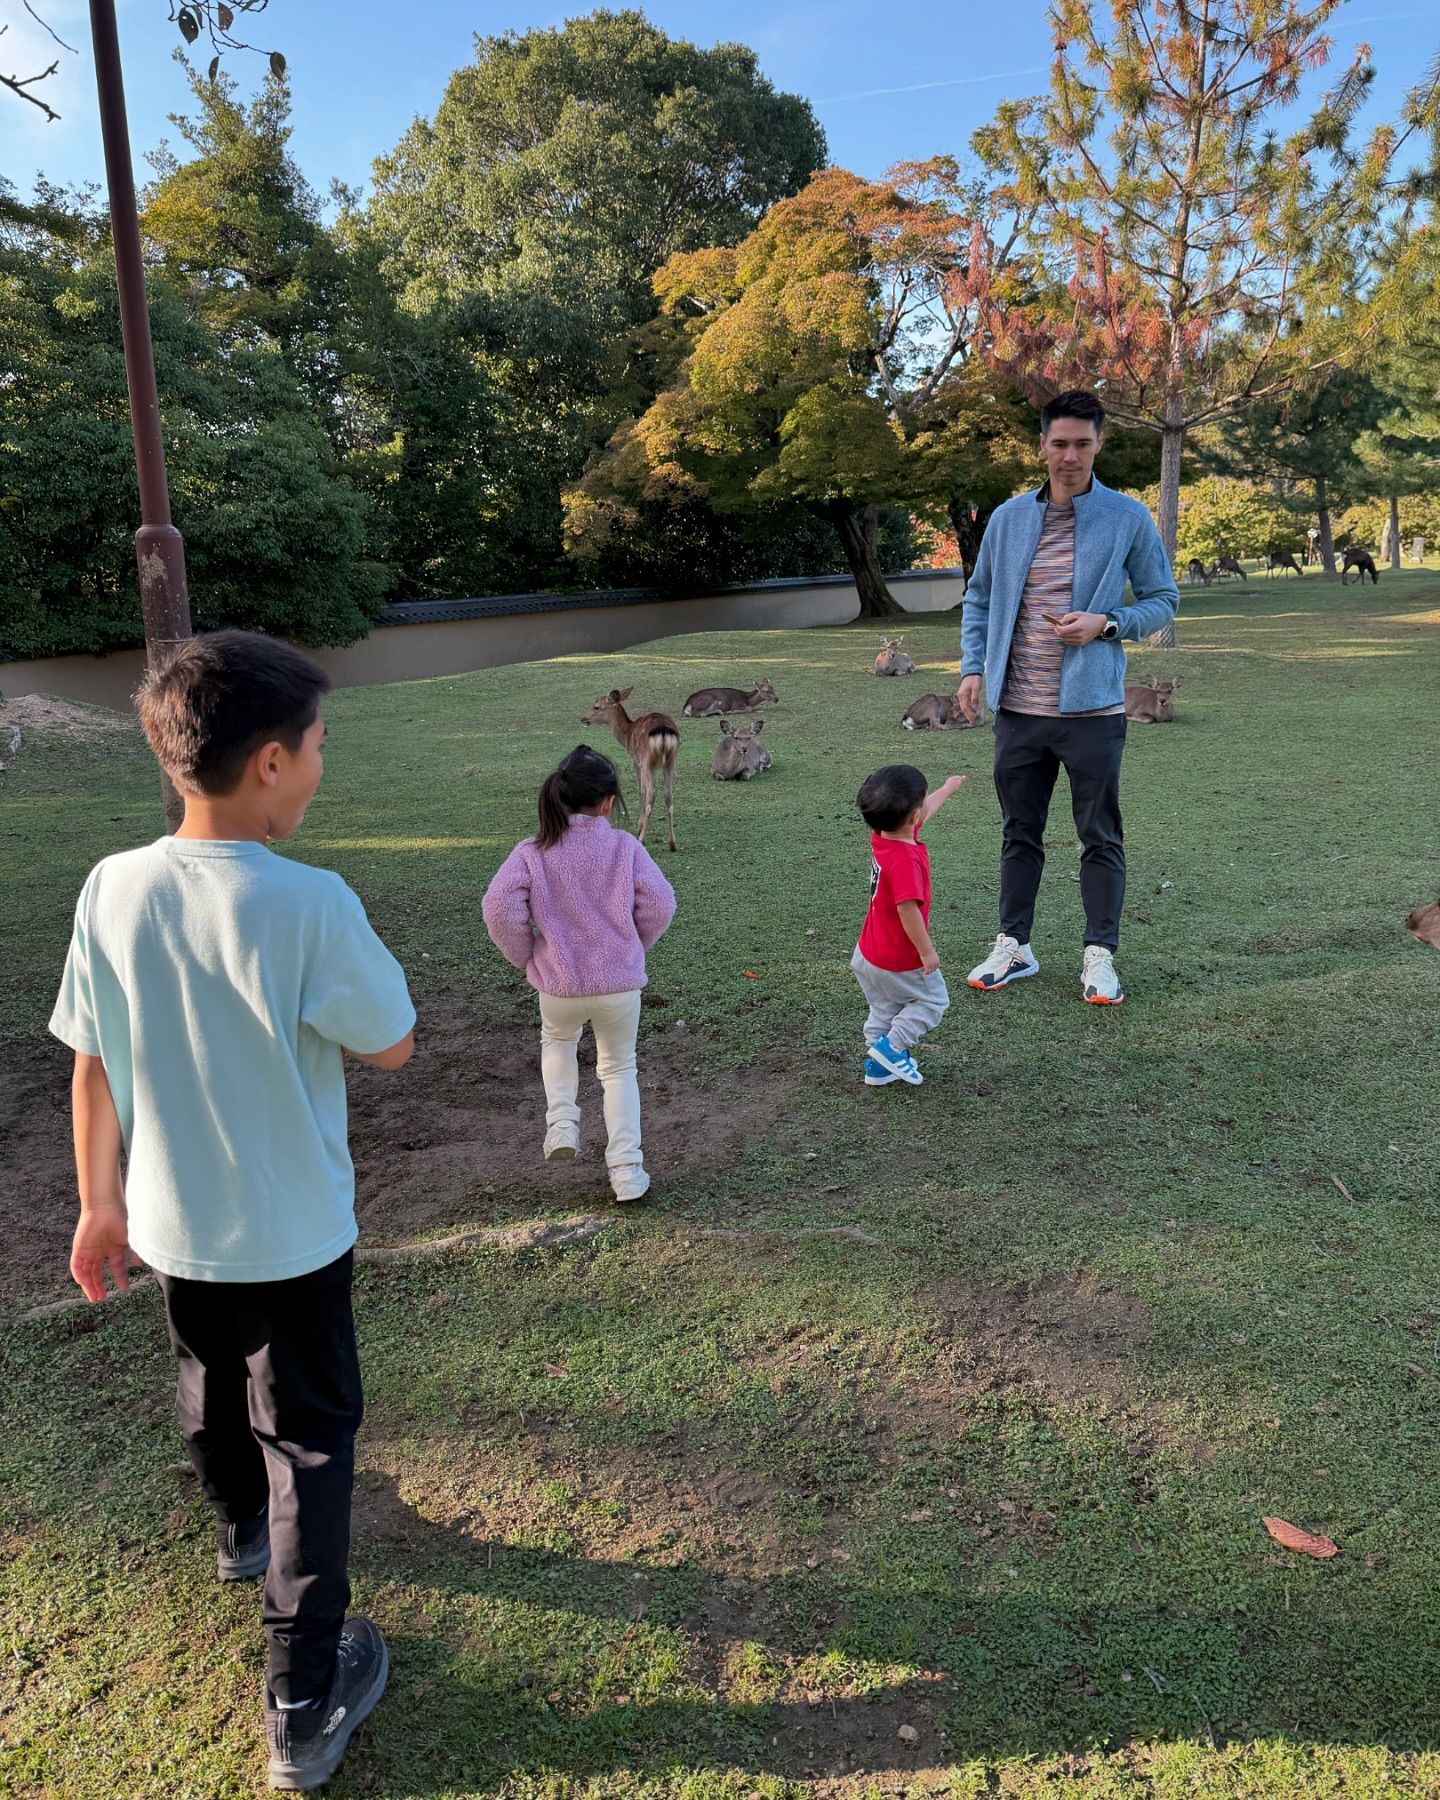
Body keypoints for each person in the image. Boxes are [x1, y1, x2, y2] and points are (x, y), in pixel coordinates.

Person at [50, 630, 415, 1794]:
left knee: (212, 1384)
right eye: (317, 747)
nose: (320, 767)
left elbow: (91, 1059)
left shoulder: (112, 884)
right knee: (309, 1440)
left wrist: (99, 1203)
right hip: (296, 1235)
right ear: (269, 760)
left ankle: (240, 1530)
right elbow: (395, 1041)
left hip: (170, 1226)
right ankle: (306, 1692)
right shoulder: (310, 901)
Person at [957, 389, 1179, 1005]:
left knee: (1099, 835)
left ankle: (1099, 953)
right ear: (1042, 445)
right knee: (1018, 831)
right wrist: (973, 669)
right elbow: (978, 599)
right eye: (1060, 443)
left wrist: (1106, 623)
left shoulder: (1128, 517)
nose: (1070, 456)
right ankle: (1015, 947)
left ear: (1099, 444)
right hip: (1019, 712)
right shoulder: (1007, 519)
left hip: (1093, 714)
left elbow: (1163, 599)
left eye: (1083, 443)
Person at [482, 745, 676, 1202]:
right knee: (619, 1068)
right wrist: (632, 947)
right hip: (619, 985)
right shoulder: (625, 846)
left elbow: (498, 907)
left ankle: (562, 1124)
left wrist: (525, 955)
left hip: (559, 985)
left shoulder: (532, 850)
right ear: (608, 802)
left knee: (559, 1041)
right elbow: (661, 903)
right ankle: (627, 1170)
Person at [851, 764, 966, 1087]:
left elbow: (923, 815)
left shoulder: (884, 837)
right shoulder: (906, 861)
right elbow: (908, 910)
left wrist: (946, 789)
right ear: (913, 817)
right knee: (933, 1001)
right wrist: (926, 952)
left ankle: (877, 1063)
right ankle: (892, 1048)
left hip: (868, 953)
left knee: (885, 1006)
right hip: (899, 959)